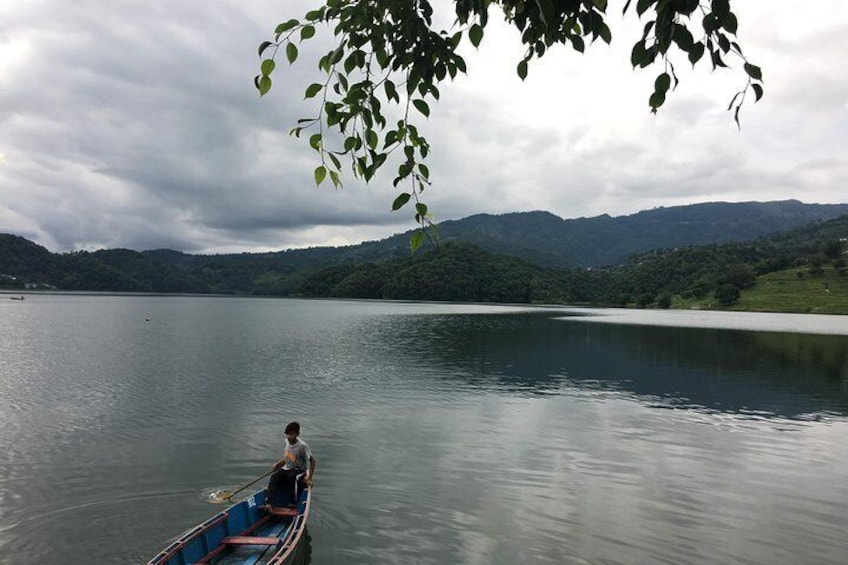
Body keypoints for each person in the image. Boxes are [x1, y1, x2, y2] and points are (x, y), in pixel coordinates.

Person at [265, 421, 316, 509]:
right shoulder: (286, 442)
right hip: (287, 468)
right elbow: (288, 458)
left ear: (297, 434)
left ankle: (293, 502)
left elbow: (313, 461)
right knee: (274, 476)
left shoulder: (302, 446)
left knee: (292, 477)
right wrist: (277, 465)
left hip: (299, 470)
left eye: (291, 434)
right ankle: (269, 503)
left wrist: (309, 478)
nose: (289, 437)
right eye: (287, 434)